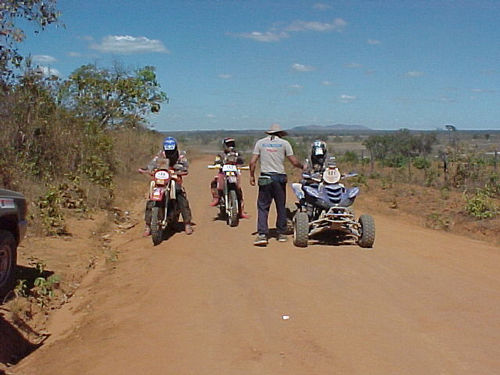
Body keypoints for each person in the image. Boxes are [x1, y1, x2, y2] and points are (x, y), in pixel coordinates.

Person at [249, 123, 304, 246]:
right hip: (279, 178)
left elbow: (252, 162)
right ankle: (281, 233)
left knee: (263, 206)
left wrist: (252, 176)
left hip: (265, 177)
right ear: (280, 134)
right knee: (280, 205)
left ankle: (262, 234)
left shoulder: (260, 143)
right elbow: (294, 161)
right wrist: (302, 167)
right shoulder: (285, 144)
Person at [138, 136, 194, 236]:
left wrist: (179, 170)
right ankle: (148, 225)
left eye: (171, 150)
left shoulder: (180, 155)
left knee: (180, 195)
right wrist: (147, 169)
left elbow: (185, 166)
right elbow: (152, 163)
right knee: (151, 199)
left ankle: (187, 223)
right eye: (167, 150)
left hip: (174, 177)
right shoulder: (160, 154)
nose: (169, 153)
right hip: (161, 179)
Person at [209, 137, 249, 219]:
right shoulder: (221, 154)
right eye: (228, 144)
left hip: (234, 173)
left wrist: (242, 165)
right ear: (224, 145)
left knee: (239, 190)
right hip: (223, 173)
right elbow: (216, 161)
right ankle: (216, 198)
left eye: (232, 144)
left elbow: (242, 161)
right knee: (214, 182)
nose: (230, 146)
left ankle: (241, 211)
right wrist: (216, 164)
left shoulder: (237, 154)